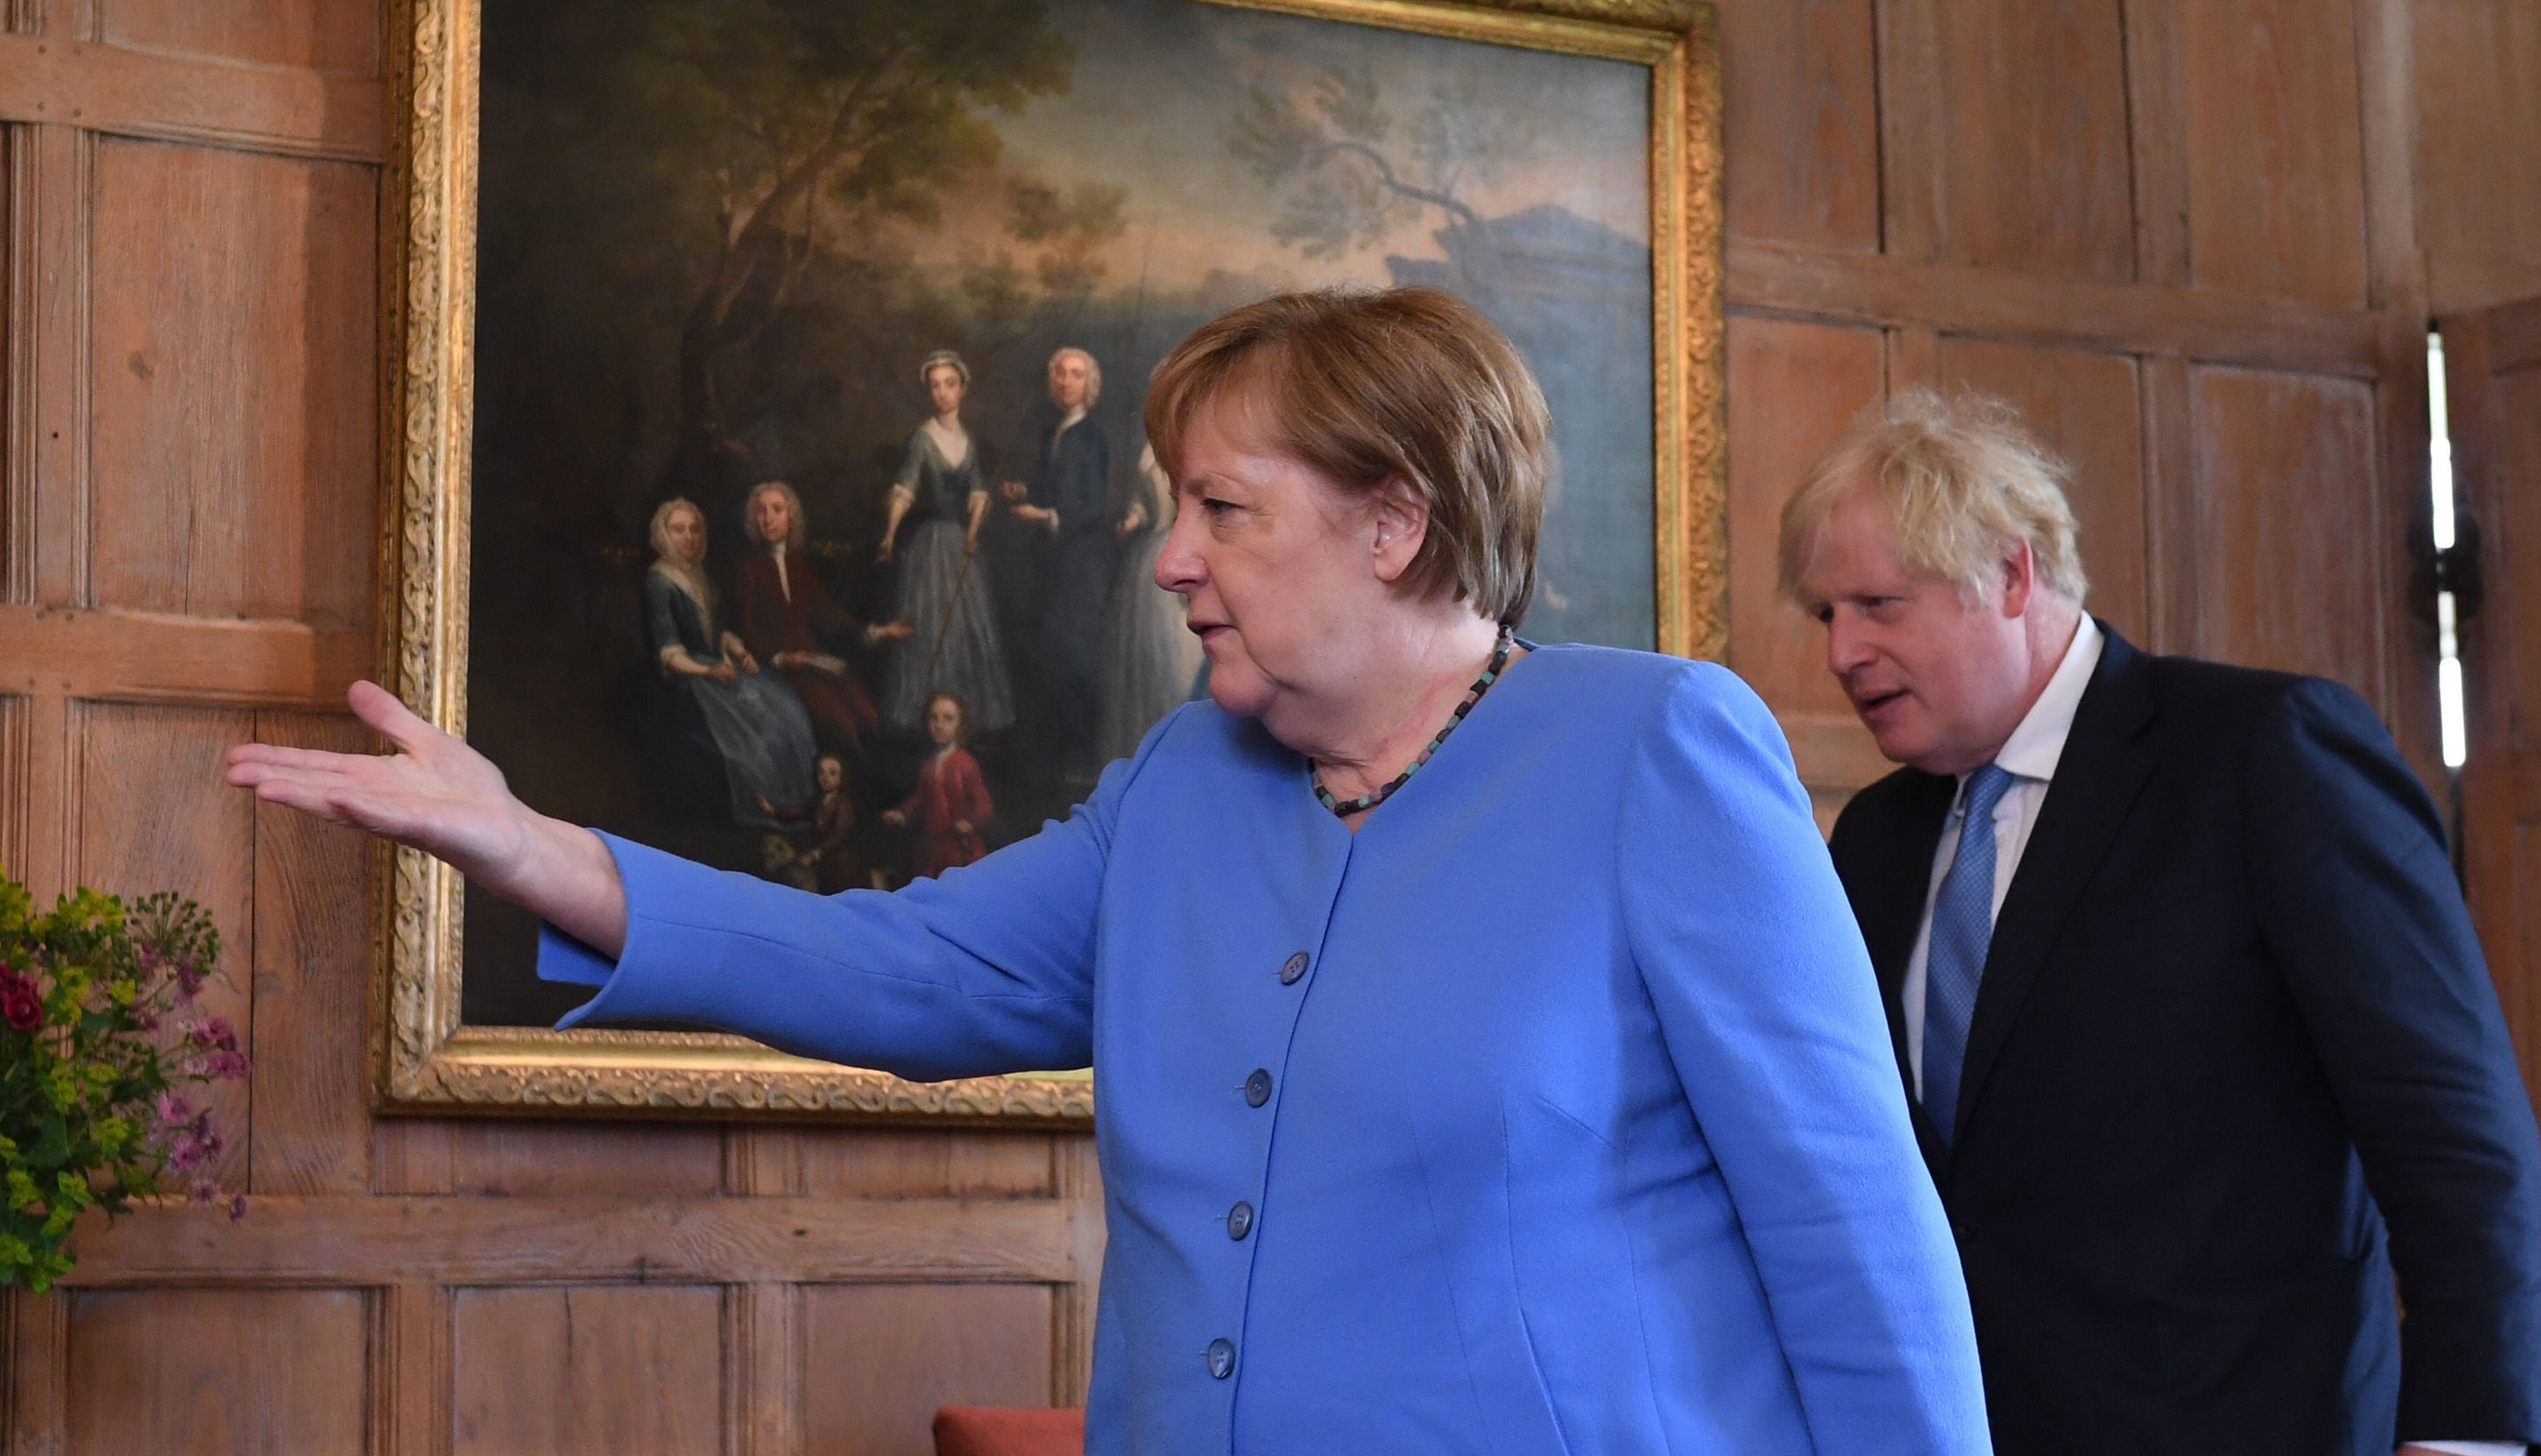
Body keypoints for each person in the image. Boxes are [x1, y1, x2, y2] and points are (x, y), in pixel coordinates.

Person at [225, 288, 1991, 1455]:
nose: (1171, 565)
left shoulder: (1654, 749)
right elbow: (901, 972)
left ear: (1397, 524)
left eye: (1226, 510)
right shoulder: (1179, 793)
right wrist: (531, 845)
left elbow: (1852, 1222)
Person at [1779, 390, 2541, 1456]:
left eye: (1877, 603)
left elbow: (2452, 1127)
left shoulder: (2264, 756)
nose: (1842, 652)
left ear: (2011, 575)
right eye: (1826, 614)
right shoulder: (1874, 837)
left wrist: (2474, 1432)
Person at [640, 496, 820, 831]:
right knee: (751, 736)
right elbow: (669, 653)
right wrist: (708, 670)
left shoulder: (698, 576)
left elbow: (719, 633)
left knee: (785, 709)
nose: (689, 537)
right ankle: (767, 807)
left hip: (716, 670)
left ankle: (794, 806)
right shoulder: (660, 581)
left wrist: (741, 654)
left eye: (694, 529)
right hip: (688, 680)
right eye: (678, 530)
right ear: (663, 535)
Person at [878, 351, 1016, 737]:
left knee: (965, 627)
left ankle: (964, 718)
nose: (942, 393)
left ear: (962, 389)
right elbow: (904, 489)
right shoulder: (923, 439)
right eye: (935, 386)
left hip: (960, 544)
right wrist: (890, 534)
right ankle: (926, 715)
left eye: (949, 384)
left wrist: (972, 533)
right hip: (930, 546)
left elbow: (978, 495)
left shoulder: (968, 442)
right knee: (930, 623)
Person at [729, 480, 904, 777]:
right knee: (837, 721)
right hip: (780, 665)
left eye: (777, 509)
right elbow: (745, 629)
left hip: (812, 657)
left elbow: (828, 613)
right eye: (761, 511)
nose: (768, 518)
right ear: (753, 520)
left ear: (791, 517)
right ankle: (860, 786)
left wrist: (877, 632)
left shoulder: (798, 563)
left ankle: (883, 782)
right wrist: (779, 658)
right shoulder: (748, 569)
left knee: (865, 709)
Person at [1004, 346, 1116, 779]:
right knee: (1048, 657)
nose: (1067, 382)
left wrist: (1046, 516)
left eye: (1076, 375)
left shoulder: (1093, 438)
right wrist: (1024, 492)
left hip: (1083, 568)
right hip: (1053, 568)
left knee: (1079, 659)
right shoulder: (1053, 431)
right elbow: (1047, 484)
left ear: (1091, 385)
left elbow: (1092, 507)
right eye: (1060, 375)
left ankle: (1082, 760)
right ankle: (1051, 758)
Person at [1095, 442, 1201, 764]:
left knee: (1177, 657)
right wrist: (1133, 517)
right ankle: (1148, 750)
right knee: (1143, 654)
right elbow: (1147, 503)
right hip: (1148, 558)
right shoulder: (1148, 451)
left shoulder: (1193, 448)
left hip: (1179, 549)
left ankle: (1182, 750)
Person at [882, 691, 992, 884]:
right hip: (932, 843)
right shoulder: (929, 765)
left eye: (948, 719)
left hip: (959, 844)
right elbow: (920, 799)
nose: (939, 725)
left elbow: (982, 802)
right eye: (934, 718)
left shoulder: (966, 763)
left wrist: (970, 823)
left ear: (961, 724)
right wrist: (902, 815)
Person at [759, 753, 870, 896]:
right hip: (824, 865)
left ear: (842, 777)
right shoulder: (818, 802)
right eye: (821, 772)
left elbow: (838, 836)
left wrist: (813, 855)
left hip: (841, 865)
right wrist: (772, 810)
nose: (825, 778)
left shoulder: (843, 805)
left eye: (832, 773)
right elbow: (799, 813)